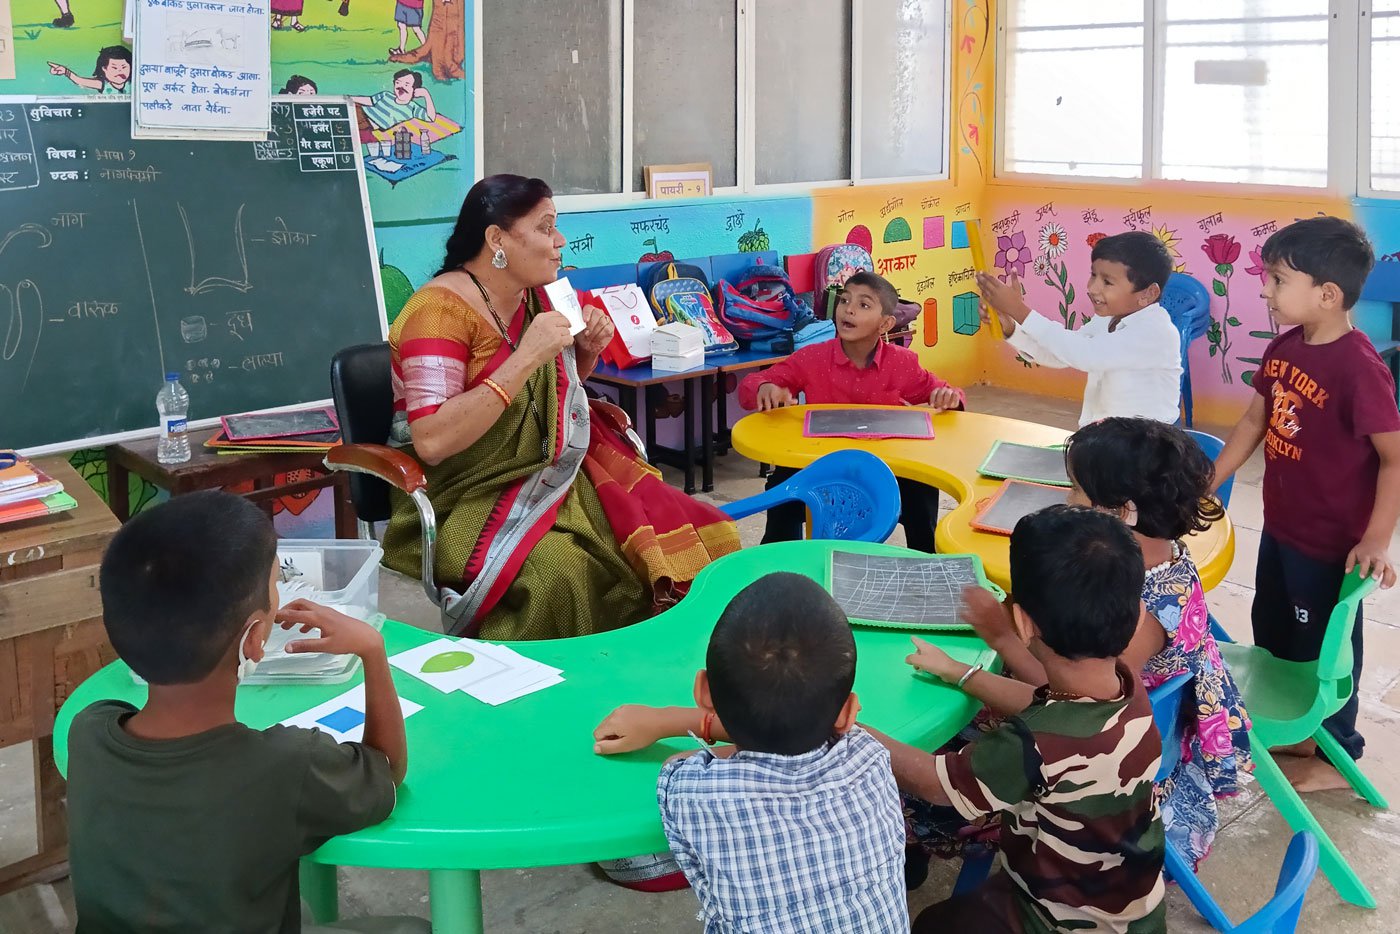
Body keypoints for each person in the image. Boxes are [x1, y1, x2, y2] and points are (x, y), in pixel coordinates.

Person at [380, 174, 739, 641]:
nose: (559, 241)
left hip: (551, 474)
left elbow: (552, 400)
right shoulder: (438, 311)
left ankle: (631, 670)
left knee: (699, 532)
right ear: (497, 240)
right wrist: (527, 354)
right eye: (546, 227)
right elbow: (432, 441)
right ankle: (544, 687)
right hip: (464, 495)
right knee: (565, 571)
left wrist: (586, 350)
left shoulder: (543, 297)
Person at [66, 492, 427, 934]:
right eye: (278, 588)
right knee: (412, 928)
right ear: (255, 639)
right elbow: (386, 770)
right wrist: (372, 648)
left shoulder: (88, 732)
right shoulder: (289, 766)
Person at [907, 418, 1249, 872]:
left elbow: (1069, 707)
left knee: (924, 762)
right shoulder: (1165, 563)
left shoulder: (1139, 616)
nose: (1066, 501)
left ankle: (912, 850)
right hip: (1117, 727)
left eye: (1075, 492)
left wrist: (991, 650)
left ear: (1120, 512)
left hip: (1108, 782)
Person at [867, 505, 1166, 933]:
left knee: (933, 924)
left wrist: (843, 723)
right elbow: (1043, 702)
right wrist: (961, 673)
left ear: (1023, 622)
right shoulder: (1128, 688)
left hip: (1057, 919)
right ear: (1136, 614)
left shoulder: (1034, 746)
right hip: (1135, 912)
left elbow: (936, 783)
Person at [594, 573, 908, 932]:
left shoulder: (694, 792)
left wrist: (669, 720)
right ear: (849, 713)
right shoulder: (870, 757)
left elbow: (675, 765)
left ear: (703, 691)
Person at [1213, 215, 1400, 792]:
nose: (1266, 292)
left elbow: (1394, 458)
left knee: (1324, 648)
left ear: (1327, 293)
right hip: (1283, 526)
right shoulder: (1286, 346)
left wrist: (1376, 539)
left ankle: (1337, 750)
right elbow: (1254, 418)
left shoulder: (1359, 368)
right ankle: (1296, 729)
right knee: (1273, 630)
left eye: (1276, 280)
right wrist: (1210, 477)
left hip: (1332, 545)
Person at [736, 270, 965, 551]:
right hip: (820, 466)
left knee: (923, 492)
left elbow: (948, 394)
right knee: (782, 488)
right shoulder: (812, 358)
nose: (849, 309)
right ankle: (779, 568)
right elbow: (751, 385)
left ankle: (926, 567)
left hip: (888, 470)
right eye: (845, 300)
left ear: (885, 324)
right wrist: (765, 388)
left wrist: (948, 397)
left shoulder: (903, 363)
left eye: (864, 304)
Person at [976, 230, 1181, 426]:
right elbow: (1061, 355)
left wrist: (1019, 310)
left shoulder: (1155, 332)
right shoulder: (1106, 320)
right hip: (1105, 440)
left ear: (1148, 294)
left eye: (1107, 282)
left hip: (1145, 449)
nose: (1092, 288)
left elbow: (1085, 354)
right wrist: (1012, 327)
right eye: (1093, 275)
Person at [351, 69, 436, 132]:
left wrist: (426, 95)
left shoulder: (413, 108)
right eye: (398, 83)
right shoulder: (386, 95)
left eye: (406, 84)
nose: (401, 87)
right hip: (360, 111)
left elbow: (431, 117)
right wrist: (349, 98)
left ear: (415, 89)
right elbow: (369, 100)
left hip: (367, 123)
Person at [49, 45, 131, 95]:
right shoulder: (103, 85)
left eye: (124, 67)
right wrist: (65, 71)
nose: (120, 71)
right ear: (104, 69)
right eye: (115, 68)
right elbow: (79, 80)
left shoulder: (133, 83)